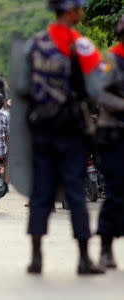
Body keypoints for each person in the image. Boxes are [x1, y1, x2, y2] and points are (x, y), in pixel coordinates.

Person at [17, 0, 104, 275]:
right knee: (76, 194)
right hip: (71, 130)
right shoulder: (81, 44)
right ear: (70, 11)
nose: (81, 12)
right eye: (79, 8)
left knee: (41, 193)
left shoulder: (34, 43)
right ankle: (82, 258)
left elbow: (21, 86)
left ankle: (36, 258)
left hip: (42, 129)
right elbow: (97, 86)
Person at [95, 14, 124, 269]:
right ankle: (105, 245)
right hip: (114, 132)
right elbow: (99, 93)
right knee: (116, 192)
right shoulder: (112, 59)